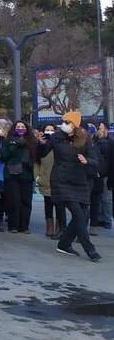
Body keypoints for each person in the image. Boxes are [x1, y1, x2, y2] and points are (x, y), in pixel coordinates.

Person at [40, 112, 101, 262]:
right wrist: (39, 144)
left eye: (68, 122)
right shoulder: (56, 137)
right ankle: (90, 249)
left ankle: (64, 244)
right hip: (61, 181)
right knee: (79, 215)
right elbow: (42, 153)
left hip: (79, 181)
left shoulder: (85, 139)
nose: (64, 125)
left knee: (84, 215)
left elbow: (96, 160)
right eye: (63, 122)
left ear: (76, 125)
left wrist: (87, 160)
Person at [1, 120, 38, 234]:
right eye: (18, 126)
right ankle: (13, 225)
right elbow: (4, 156)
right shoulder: (8, 141)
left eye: (23, 126)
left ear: (27, 129)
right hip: (12, 174)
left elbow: (36, 156)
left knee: (26, 201)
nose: (21, 128)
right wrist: (14, 146)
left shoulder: (32, 141)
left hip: (27, 174)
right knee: (14, 201)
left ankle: (24, 226)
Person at [36, 124, 63, 238]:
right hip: (45, 179)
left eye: (52, 130)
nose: (50, 132)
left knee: (59, 205)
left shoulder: (59, 144)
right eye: (47, 130)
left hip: (59, 179)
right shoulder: (40, 145)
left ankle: (59, 227)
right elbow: (36, 162)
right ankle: (49, 227)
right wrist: (37, 177)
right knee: (48, 204)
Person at [90, 122, 110, 235]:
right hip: (88, 177)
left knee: (97, 201)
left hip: (97, 177)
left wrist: (100, 173)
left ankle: (94, 225)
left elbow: (104, 162)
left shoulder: (103, 144)